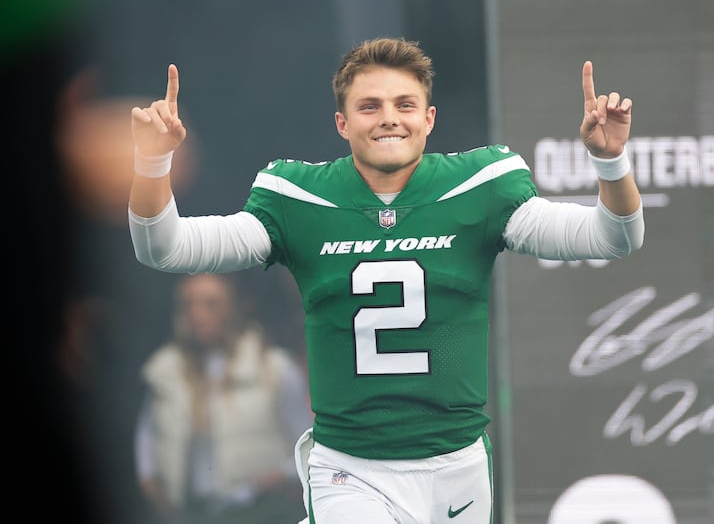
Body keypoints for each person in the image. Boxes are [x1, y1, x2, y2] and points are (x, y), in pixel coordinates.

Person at [127, 37, 644, 524]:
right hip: (350, 467)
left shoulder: (480, 188)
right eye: (369, 106)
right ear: (342, 123)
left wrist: (610, 159)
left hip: (455, 467)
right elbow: (165, 247)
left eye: (404, 104)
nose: (389, 118)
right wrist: (153, 161)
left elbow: (613, 236)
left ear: (429, 118)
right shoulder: (300, 199)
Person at [134, 273, 312, 524]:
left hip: (262, 509)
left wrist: (279, 476)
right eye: (188, 304)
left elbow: (306, 444)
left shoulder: (272, 367)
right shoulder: (165, 372)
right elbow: (148, 444)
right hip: (191, 512)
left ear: (234, 307)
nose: (198, 315)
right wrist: (155, 490)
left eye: (210, 304)